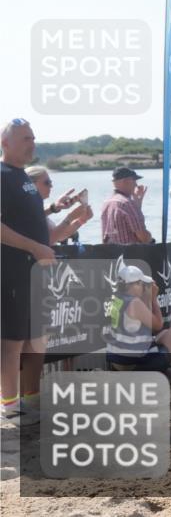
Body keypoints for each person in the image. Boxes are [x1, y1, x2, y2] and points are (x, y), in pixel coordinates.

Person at [0, 119, 53, 427]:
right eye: (24, 139)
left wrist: (44, 248)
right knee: (11, 341)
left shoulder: (23, 177)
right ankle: (9, 406)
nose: (31, 143)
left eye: (33, 138)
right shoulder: (3, 175)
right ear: (5, 143)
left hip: (34, 272)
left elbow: (31, 221)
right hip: (11, 271)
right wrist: (34, 247)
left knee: (36, 340)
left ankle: (28, 400)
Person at [105, 263, 171, 375]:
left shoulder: (115, 298)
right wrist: (153, 299)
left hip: (117, 363)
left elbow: (140, 325)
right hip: (135, 366)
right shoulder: (134, 303)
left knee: (166, 334)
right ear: (134, 285)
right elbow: (158, 325)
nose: (144, 287)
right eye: (142, 284)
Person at [25, 166, 92, 244]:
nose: (51, 186)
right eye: (47, 182)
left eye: (50, 182)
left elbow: (59, 236)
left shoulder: (36, 208)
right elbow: (49, 240)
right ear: (32, 184)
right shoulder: (25, 208)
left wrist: (81, 220)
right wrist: (70, 217)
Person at [100, 167, 152, 245]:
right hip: (131, 255)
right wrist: (150, 237)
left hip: (112, 255)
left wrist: (137, 204)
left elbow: (104, 238)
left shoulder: (106, 203)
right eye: (134, 180)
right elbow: (143, 237)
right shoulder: (127, 203)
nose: (136, 184)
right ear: (125, 181)